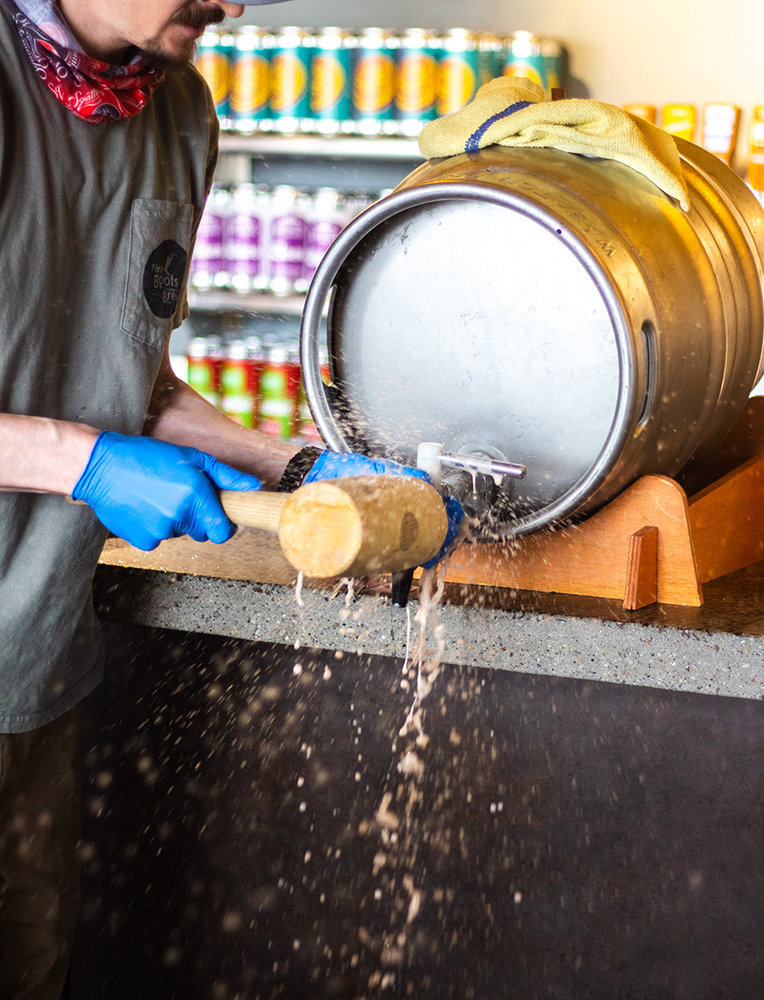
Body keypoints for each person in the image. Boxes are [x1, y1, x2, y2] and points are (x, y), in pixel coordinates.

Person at [0, 1, 462, 996]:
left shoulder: (179, 116)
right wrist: (81, 460)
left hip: (34, 670)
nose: (234, 2)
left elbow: (130, 374)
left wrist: (286, 464)